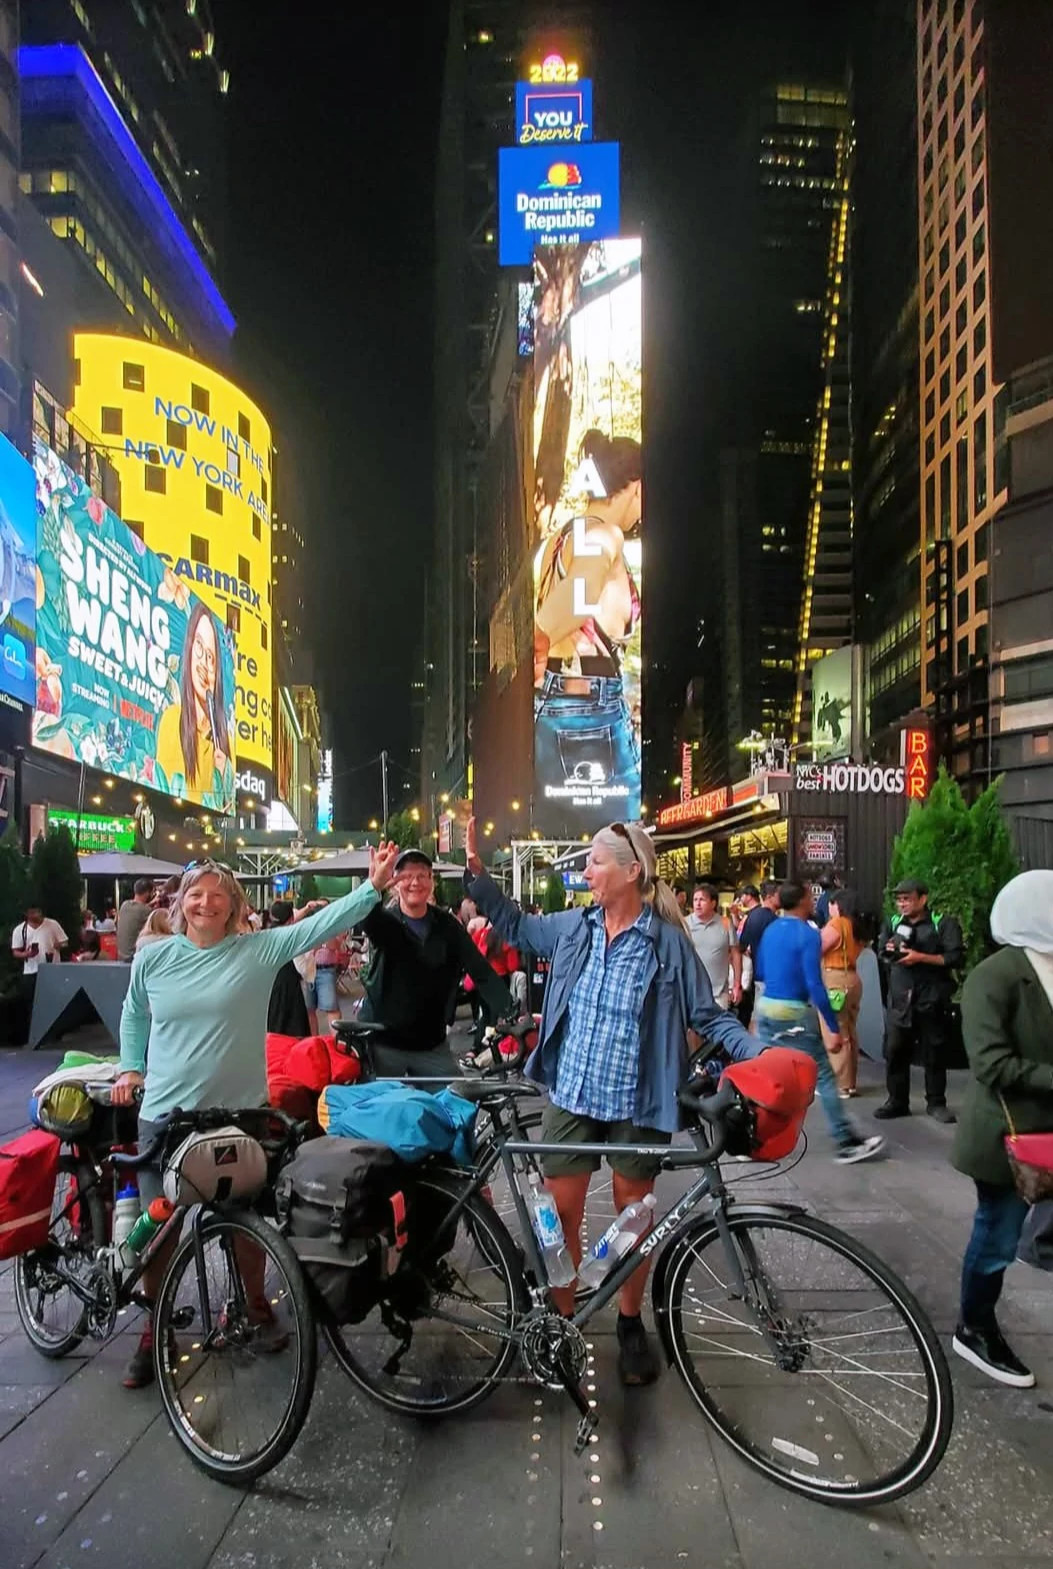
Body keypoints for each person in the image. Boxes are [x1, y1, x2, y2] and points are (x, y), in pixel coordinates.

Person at [465, 815, 763, 1386]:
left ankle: (630, 1324)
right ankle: (562, 1321)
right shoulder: (574, 928)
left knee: (633, 1221)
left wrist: (756, 1053)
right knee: (561, 1218)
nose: (586, 871)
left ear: (632, 872)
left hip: (637, 1104)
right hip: (572, 1094)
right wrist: (478, 876)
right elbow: (517, 926)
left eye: (595, 862)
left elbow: (707, 1014)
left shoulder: (666, 944)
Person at [112, 842, 399, 1388]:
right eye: (195, 895)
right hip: (165, 1114)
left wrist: (373, 886)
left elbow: (320, 926)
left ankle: (255, 1306)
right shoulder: (154, 957)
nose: (206, 904)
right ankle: (154, 1329)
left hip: (238, 1113)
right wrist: (129, 1069)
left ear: (235, 904)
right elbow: (134, 1016)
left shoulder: (257, 950)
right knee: (159, 1229)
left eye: (218, 896)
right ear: (179, 903)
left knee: (247, 1220)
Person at [951, 870, 1053, 1388]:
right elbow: (991, 1063)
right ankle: (975, 1326)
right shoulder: (995, 975)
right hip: (1009, 1140)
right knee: (997, 1237)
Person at [533, 430, 643, 828]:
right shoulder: (604, 535)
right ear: (636, 487)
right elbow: (581, 592)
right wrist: (541, 637)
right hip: (592, 711)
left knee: (571, 839)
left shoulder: (556, 541)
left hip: (548, 705)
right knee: (625, 847)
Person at [754, 882, 884, 1165]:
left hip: (766, 1007)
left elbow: (761, 968)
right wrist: (832, 1027)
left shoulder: (771, 929)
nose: (815, 901)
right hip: (794, 1011)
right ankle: (844, 1140)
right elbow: (815, 983)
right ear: (802, 901)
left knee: (767, 1073)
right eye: (810, 897)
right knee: (824, 1076)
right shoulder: (808, 935)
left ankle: (751, 1136)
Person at [356, 848, 514, 1078]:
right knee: (390, 1110)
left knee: (456, 1104)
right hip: (385, 1043)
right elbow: (369, 921)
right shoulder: (387, 921)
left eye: (422, 875)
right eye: (406, 876)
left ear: (432, 881)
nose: (415, 882)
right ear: (395, 883)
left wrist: (513, 1013)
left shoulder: (447, 926)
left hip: (430, 1043)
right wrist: (373, 888)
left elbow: (481, 971)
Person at [875, 877, 962, 1123]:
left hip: (931, 998)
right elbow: (881, 952)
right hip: (901, 1000)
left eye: (907, 899)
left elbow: (954, 958)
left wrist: (920, 957)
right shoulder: (893, 923)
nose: (902, 904)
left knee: (934, 1052)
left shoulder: (942, 924)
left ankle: (936, 1103)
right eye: (899, 900)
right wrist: (892, 951)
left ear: (923, 899)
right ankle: (897, 1101)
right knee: (895, 1051)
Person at [155, 602, 234, 809]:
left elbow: (229, 808)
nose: (204, 665)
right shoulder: (171, 721)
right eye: (198, 646)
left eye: (211, 657)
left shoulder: (226, 746)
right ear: (189, 651)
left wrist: (223, 776)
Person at [818, 887, 866, 1097]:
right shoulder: (857, 926)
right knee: (850, 1031)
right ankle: (851, 1081)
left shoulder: (837, 924)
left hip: (835, 979)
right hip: (853, 979)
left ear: (838, 905)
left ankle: (840, 1084)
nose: (829, 907)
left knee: (835, 1030)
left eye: (831, 903)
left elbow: (818, 947)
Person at [686, 882, 741, 1009]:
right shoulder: (684, 924)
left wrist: (737, 985)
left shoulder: (725, 924)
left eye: (702, 900)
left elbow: (735, 954)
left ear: (713, 903)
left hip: (719, 994)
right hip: (691, 993)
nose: (698, 904)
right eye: (695, 900)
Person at [266, 899, 312, 1039]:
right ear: (290, 919)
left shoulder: (265, 934)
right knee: (294, 1032)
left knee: (274, 1032)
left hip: (270, 989)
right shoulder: (292, 937)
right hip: (289, 988)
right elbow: (303, 968)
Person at [737, 880, 780, 1027]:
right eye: (779, 894)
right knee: (762, 1020)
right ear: (769, 896)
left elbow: (741, 944)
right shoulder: (772, 919)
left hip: (758, 975)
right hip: (769, 977)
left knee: (758, 1018)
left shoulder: (753, 916)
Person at [309, 924, 350, 1034]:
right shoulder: (310, 927)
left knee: (331, 1007)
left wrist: (326, 936)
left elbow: (336, 945)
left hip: (326, 970)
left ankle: (337, 1041)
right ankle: (313, 1042)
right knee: (309, 1009)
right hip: (308, 970)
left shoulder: (334, 927)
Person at [116, 879, 154, 962]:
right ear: (148, 893)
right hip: (134, 957)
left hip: (120, 955)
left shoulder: (125, 905)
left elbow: (139, 908)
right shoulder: (147, 911)